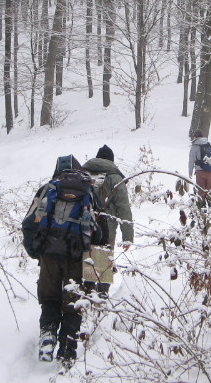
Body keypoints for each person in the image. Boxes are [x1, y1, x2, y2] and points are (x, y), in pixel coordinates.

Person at [21, 155, 102, 368]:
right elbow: (101, 232)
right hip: (76, 257)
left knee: (49, 299)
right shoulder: (88, 191)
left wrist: (35, 252)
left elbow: (28, 224)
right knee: (73, 303)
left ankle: (48, 336)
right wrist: (98, 268)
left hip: (48, 254)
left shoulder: (48, 189)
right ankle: (67, 352)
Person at [82, 145, 134, 251]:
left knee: (82, 265)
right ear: (111, 161)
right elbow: (123, 208)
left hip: (81, 229)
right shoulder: (116, 178)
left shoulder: (82, 174)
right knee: (103, 265)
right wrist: (127, 237)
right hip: (106, 231)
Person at [188, 129, 211, 202]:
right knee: (210, 190)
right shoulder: (209, 144)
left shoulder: (195, 146)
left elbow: (191, 160)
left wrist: (190, 172)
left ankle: (201, 206)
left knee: (201, 191)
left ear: (195, 137)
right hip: (210, 171)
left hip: (200, 171)